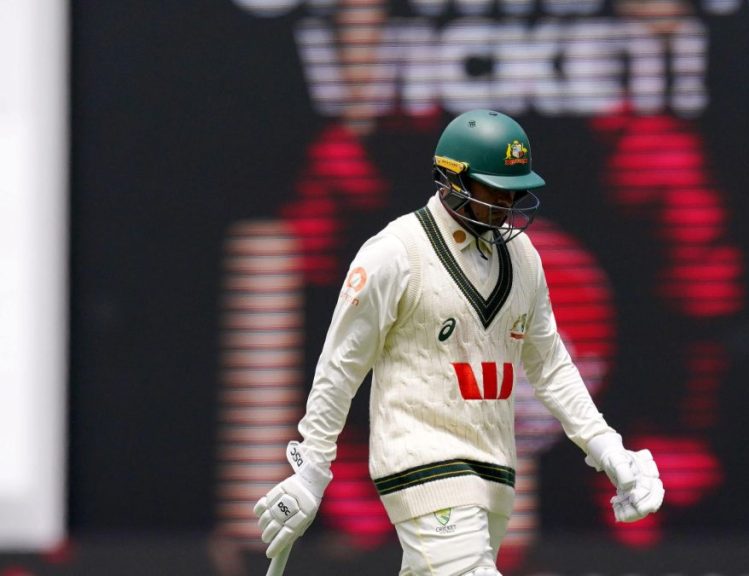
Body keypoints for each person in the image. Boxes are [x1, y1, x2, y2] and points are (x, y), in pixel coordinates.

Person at [254, 109, 665, 575]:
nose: (508, 203)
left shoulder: (524, 257)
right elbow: (340, 365)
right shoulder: (396, 252)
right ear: (451, 180)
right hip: (423, 464)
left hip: (493, 475)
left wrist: (610, 450)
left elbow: (551, 368)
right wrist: (312, 469)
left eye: (514, 189)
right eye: (495, 189)